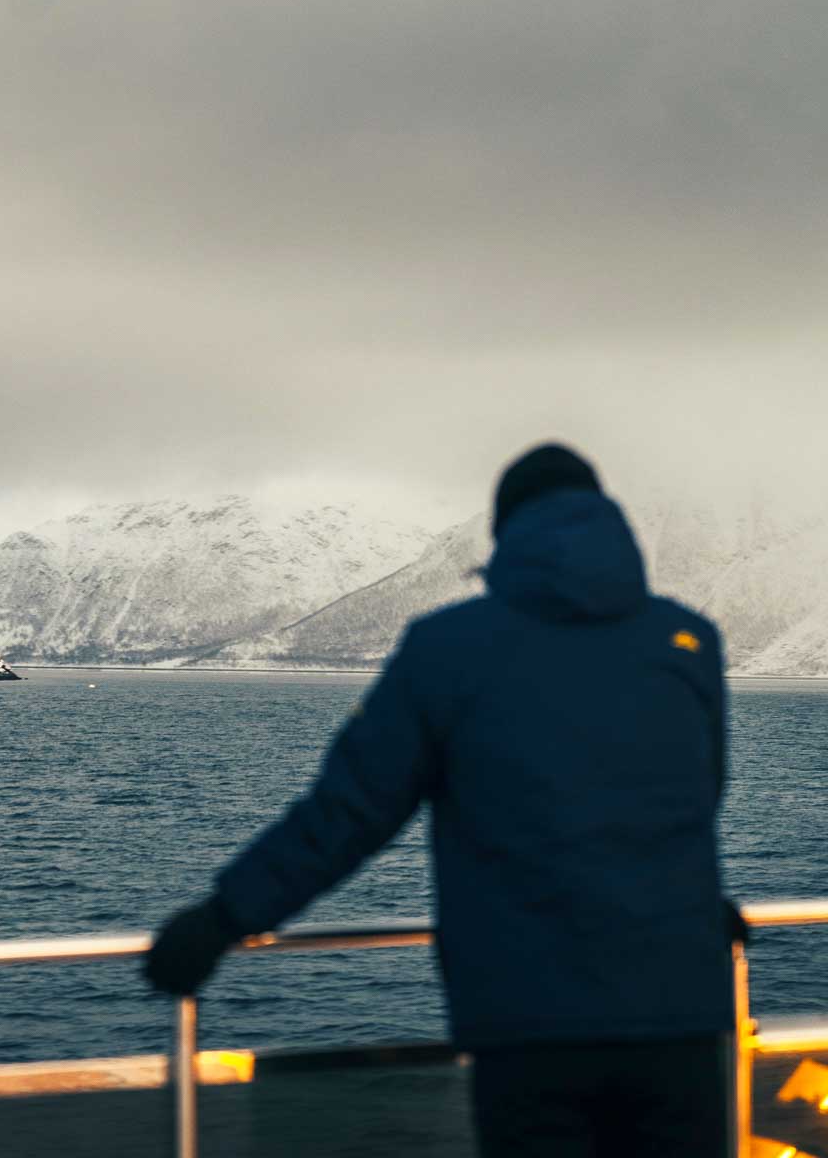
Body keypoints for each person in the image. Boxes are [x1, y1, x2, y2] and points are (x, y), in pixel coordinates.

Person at [146, 443, 739, 1157]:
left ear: (506, 534)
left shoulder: (448, 649)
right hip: (681, 1017)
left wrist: (223, 917)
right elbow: (692, 800)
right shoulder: (687, 642)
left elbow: (348, 813)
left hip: (529, 1028)